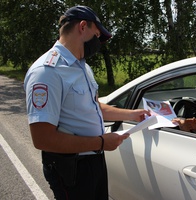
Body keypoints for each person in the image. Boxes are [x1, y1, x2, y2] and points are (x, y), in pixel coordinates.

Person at [24, 5, 150, 200]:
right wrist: (100, 142)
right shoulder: (47, 71)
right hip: (71, 167)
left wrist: (132, 114)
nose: (98, 43)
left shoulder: (82, 67)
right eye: (97, 35)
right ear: (83, 27)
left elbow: (93, 106)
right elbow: (42, 139)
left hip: (94, 159)